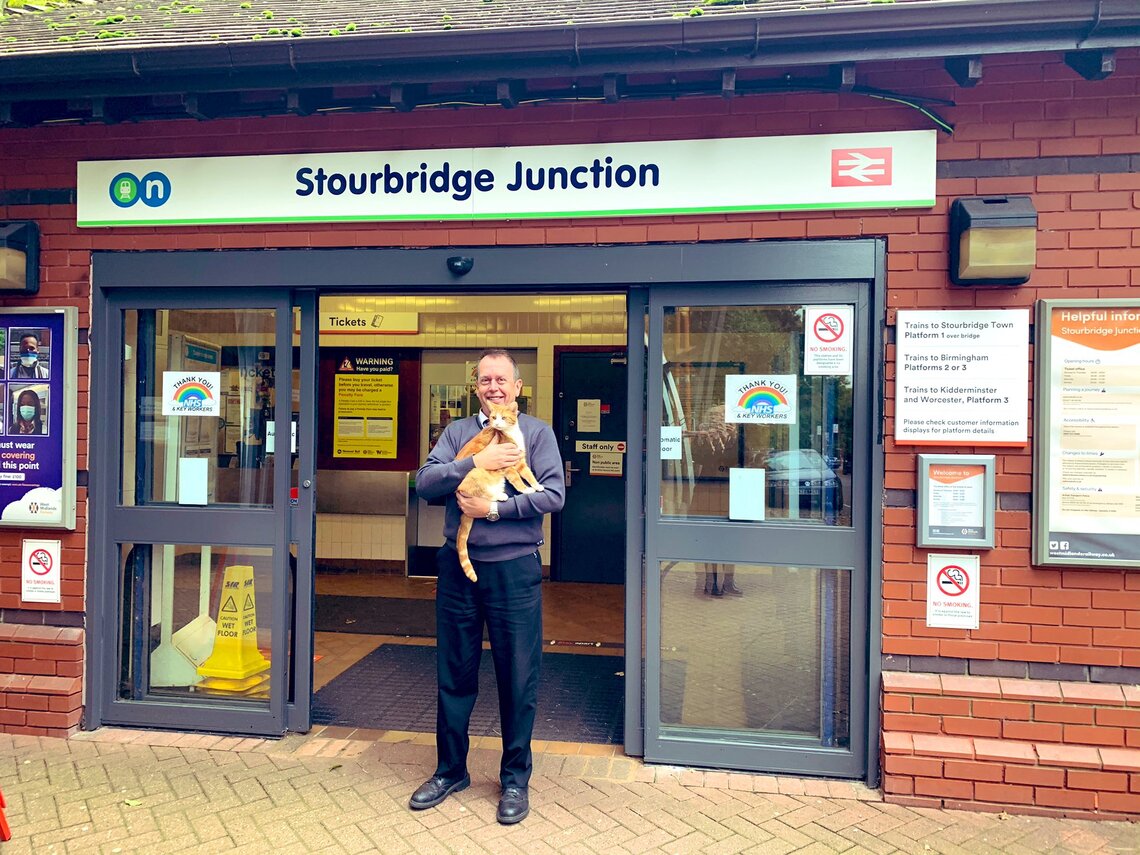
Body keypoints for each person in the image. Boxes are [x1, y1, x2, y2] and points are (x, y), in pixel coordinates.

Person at [410, 348, 565, 825]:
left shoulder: (536, 433)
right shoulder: (459, 432)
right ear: (475, 386)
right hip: (458, 569)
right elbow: (426, 482)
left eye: (502, 379)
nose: (493, 386)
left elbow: (554, 495)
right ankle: (450, 770)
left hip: (515, 568)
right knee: (454, 672)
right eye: (485, 379)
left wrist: (496, 511)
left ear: (518, 387)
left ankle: (515, 778)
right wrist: (475, 459)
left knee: (518, 676)